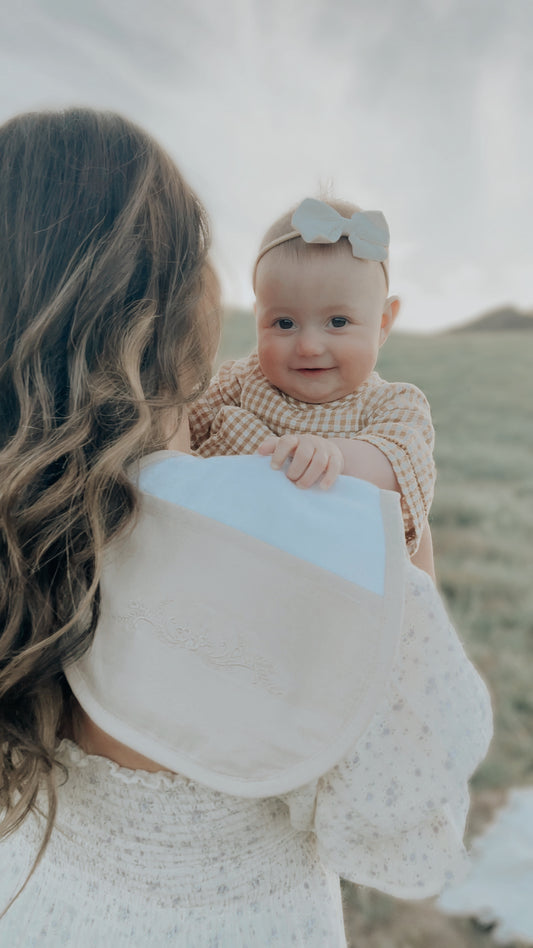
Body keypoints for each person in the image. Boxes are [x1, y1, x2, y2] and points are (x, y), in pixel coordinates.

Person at [0, 108, 492, 947]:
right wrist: (397, 545)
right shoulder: (307, 529)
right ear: (173, 302)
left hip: (31, 904)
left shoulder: (31, 510)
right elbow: (396, 799)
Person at [189, 197, 437, 577]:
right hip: (230, 569)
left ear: (383, 323)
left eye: (338, 321)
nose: (308, 346)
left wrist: (332, 454)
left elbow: (402, 463)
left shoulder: (392, 404)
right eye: (284, 324)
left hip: (335, 584)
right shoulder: (239, 381)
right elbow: (179, 432)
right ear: (259, 318)